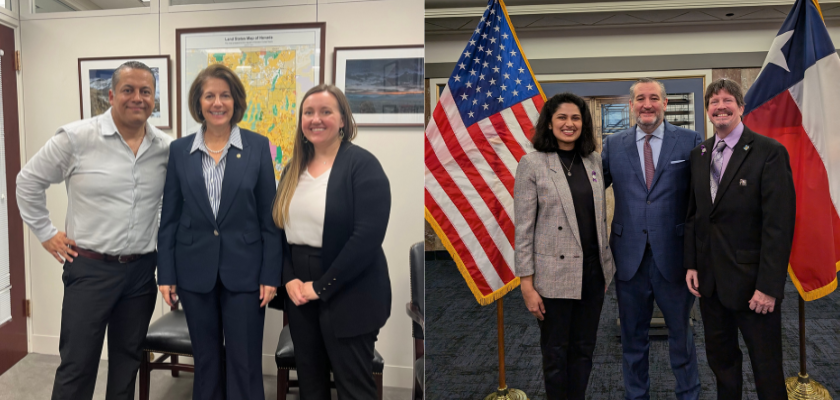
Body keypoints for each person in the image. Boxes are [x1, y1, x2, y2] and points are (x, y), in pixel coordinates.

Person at [16, 61, 171, 400]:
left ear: (154, 98)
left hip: (142, 272)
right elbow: (27, 182)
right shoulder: (76, 138)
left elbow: (163, 203)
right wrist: (46, 232)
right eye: (128, 90)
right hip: (89, 270)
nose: (137, 98)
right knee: (78, 364)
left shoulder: (164, 147)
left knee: (127, 363)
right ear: (111, 95)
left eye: (145, 91)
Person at [157, 63, 282, 400]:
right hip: (193, 272)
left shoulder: (257, 146)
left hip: (246, 273)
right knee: (206, 361)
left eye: (224, 95)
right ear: (198, 103)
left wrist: (271, 275)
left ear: (235, 101)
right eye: (209, 95)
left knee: (244, 362)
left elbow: (268, 218)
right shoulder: (180, 150)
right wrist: (165, 274)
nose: (217, 103)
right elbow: (169, 217)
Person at [274, 84, 391, 399]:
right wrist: (289, 280)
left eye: (326, 111)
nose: (316, 119)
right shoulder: (292, 169)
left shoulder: (362, 165)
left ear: (343, 120)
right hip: (300, 291)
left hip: (351, 290)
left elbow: (366, 238)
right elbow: (279, 232)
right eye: (309, 112)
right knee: (311, 387)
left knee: (354, 387)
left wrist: (321, 286)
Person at [684, 78, 795, 400]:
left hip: (753, 285)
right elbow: (695, 216)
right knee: (721, 360)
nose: (720, 106)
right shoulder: (700, 153)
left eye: (727, 100)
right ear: (707, 110)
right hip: (710, 281)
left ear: (741, 107)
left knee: (766, 363)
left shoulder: (769, 152)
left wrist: (769, 287)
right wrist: (691, 263)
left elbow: (779, 225)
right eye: (714, 101)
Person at [601, 78, 702, 400]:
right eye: (641, 98)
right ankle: (636, 395)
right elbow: (588, 192)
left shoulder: (689, 141)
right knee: (632, 338)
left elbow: (702, 200)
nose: (647, 104)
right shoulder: (613, 145)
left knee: (681, 336)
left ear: (665, 103)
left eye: (654, 98)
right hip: (628, 258)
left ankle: (688, 394)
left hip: (674, 258)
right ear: (630, 105)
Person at [514, 92, 615, 400]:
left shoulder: (594, 160)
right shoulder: (531, 164)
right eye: (562, 117)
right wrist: (527, 284)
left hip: (593, 273)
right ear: (549, 122)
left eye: (575, 118)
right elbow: (523, 229)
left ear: (583, 124)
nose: (569, 124)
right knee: (556, 352)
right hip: (552, 276)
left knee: (584, 348)